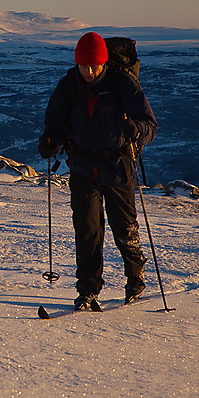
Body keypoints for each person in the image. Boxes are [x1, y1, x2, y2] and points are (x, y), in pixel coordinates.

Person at [38, 32, 157, 310]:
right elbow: (54, 124)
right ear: (77, 63)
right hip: (82, 166)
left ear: (104, 62)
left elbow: (149, 125)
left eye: (95, 65)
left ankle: (135, 274)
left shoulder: (122, 84)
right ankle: (87, 289)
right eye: (84, 65)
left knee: (123, 227)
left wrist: (136, 130)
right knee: (88, 229)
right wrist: (50, 142)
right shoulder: (67, 87)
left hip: (117, 165)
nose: (89, 71)